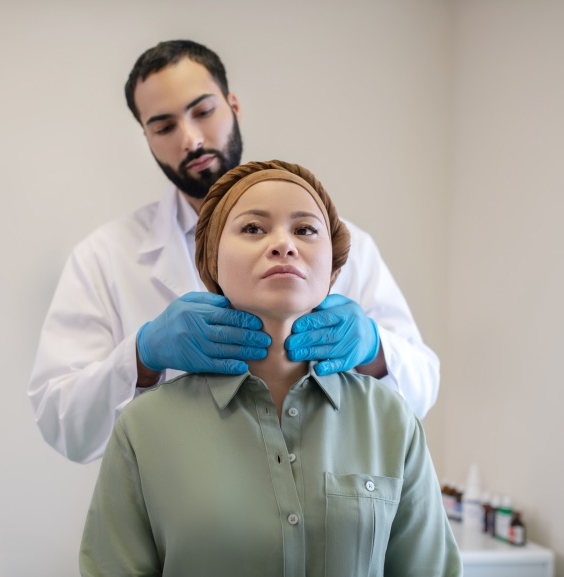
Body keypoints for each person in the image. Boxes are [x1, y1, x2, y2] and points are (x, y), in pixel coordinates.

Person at [28, 40, 440, 464]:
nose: (191, 140)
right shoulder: (105, 257)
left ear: (233, 106)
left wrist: (374, 349)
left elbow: (421, 386)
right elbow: (61, 421)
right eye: (165, 126)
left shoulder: (333, 243)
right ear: (147, 137)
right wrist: (142, 355)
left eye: (203, 112)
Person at [79, 160, 461, 576]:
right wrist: (143, 352)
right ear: (211, 262)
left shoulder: (389, 420)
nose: (284, 245)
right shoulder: (143, 427)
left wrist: (375, 345)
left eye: (305, 230)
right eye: (253, 229)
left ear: (334, 266)